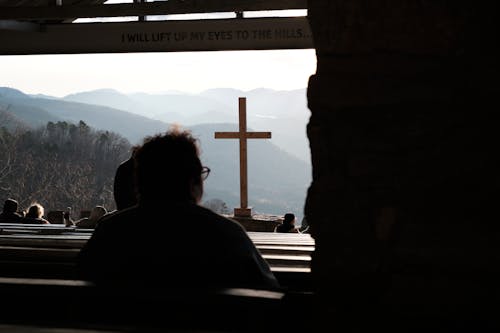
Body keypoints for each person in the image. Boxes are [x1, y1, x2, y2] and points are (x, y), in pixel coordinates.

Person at [78, 127, 280, 291]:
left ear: (140, 183)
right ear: (193, 182)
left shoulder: (110, 234)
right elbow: (269, 295)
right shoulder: (228, 236)